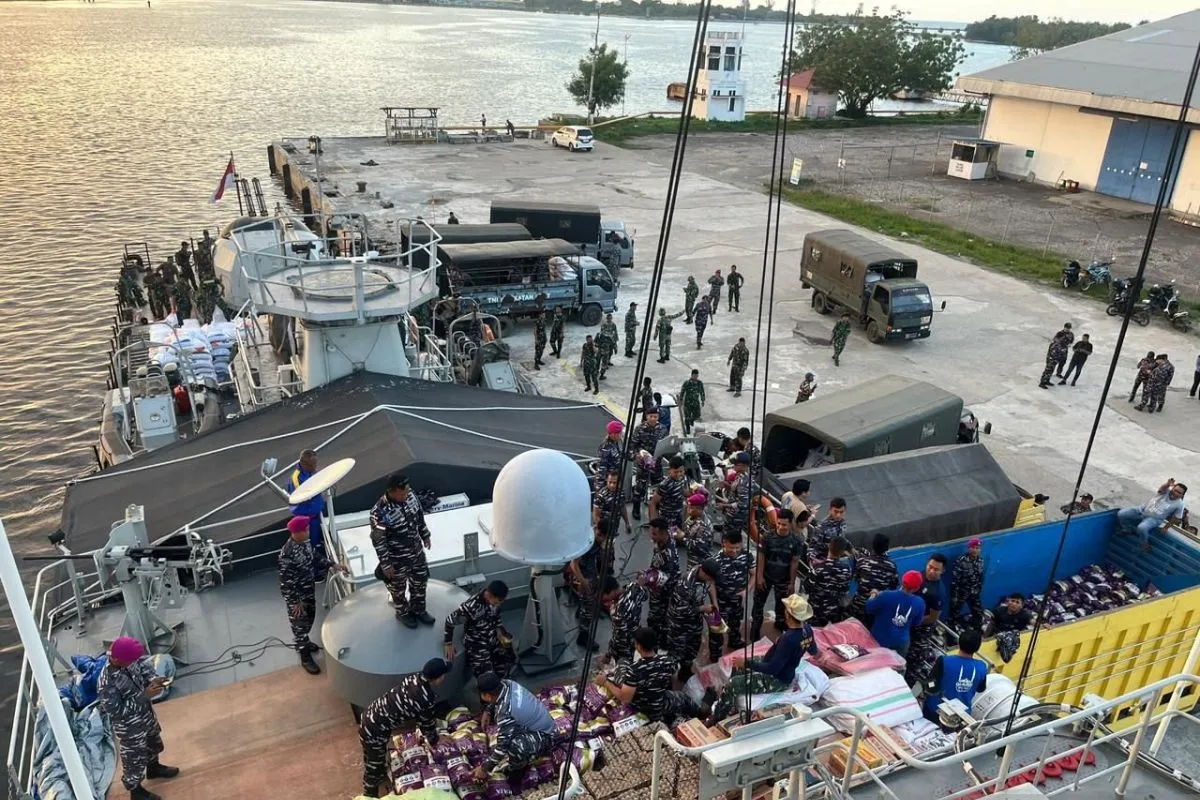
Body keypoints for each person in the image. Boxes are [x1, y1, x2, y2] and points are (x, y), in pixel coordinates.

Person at [711, 595, 817, 720]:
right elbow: (813, 650)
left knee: (732, 684)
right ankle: (731, 702)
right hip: (782, 669)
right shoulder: (807, 630)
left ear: (788, 614)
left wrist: (747, 663)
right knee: (738, 665)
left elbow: (772, 669)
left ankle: (718, 716)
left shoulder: (788, 639)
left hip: (777, 680)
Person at [99, 637, 179, 800]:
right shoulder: (107, 683)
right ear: (116, 659)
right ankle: (136, 792)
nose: (132, 663)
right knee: (133, 759)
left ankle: (153, 768)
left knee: (153, 742)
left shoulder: (129, 660)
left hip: (146, 716)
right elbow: (116, 712)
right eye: (129, 661)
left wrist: (153, 679)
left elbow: (143, 667)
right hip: (130, 729)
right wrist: (144, 696)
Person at [360, 659, 449, 798]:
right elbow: (427, 725)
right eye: (443, 675)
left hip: (372, 715)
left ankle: (380, 773)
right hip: (375, 728)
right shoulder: (425, 698)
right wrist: (435, 741)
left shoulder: (414, 678)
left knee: (373, 753)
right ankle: (369, 794)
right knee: (373, 765)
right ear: (438, 678)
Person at [595, 628, 711, 726]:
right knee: (683, 698)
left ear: (638, 646)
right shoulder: (667, 661)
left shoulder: (634, 669)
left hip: (639, 708)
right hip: (660, 704)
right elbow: (673, 679)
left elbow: (625, 699)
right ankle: (702, 713)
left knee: (622, 663)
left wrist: (605, 682)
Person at [369, 472, 434, 628]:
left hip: (416, 552)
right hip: (396, 559)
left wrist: (425, 535)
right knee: (398, 589)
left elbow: (419, 517)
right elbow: (379, 540)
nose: (406, 495)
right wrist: (385, 564)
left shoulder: (410, 496)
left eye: (407, 491)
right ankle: (403, 613)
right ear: (391, 491)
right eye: (402, 493)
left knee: (420, 582)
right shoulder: (379, 512)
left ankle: (419, 610)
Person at [472, 673, 554, 783]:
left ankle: (517, 773)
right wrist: (488, 710)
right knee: (508, 733)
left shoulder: (506, 710)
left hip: (545, 735)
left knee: (514, 745)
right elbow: (497, 698)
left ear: (487, 696)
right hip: (543, 722)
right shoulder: (508, 683)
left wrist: (484, 768)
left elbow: (503, 747)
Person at [280, 516, 331, 674]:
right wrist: (295, 602)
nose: (309, 532)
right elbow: (286, 583)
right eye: (306, 530)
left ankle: (306, 642)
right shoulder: (287, 554)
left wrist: (332, 565)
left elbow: (314, 556)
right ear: (297, 532)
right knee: (300, 626)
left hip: (308, 590)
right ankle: (304, 655)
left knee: (309, 619)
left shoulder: (305, 543)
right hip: (297, 598)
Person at [444, 580, 515, 681]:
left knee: (505, 662)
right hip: (477, 645)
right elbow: (449, 621)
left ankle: (504, 684)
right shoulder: (470, 607)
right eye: (498, 601)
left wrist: (500, 632)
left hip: (492, 638)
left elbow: (496, 618)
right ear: (490, 595)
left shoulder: (495, 604)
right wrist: (448, 643)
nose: (499, 604)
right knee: (486, 678)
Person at [665, 559, 721, 680]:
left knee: (692, 649)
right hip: (679, 624)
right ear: (704, 574)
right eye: (710, 578)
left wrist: (714, 603)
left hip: (694, 621)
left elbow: (710, 585)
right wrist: (703, 608)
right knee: (676, 654)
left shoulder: (703, 572)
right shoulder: (685, 585)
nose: (711, 581)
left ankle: (684, 672)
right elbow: (680, 610)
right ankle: (666, 680)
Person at [751, 508, 801, 639]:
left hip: (783, 579)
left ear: (790, 524)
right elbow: (761, 556)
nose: (780, 527)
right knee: (758, 606)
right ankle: (754, 632)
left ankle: (780, 627)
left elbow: (794, 562)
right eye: (779, 523)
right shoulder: (767, 537)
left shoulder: (796, 540)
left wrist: (791, 583)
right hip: (766, 577)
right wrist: (759, 576)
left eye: (784, 524)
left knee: (782, 606)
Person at [922, 629, 988, 727]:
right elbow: (980, 688)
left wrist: (931, 689)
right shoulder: (982, 667)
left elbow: (930, 682)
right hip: (961, 716)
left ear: (959, 642)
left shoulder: (944, 661)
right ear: (977, 648)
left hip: (935, 710)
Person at [709, 529, 753, 661]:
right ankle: (715, 653)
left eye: (737, 548)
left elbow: (754, 573)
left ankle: (734, 641)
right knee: (717, 629)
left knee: (735, 623)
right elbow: (711, 584)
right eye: (731, 548)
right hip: (721, 602)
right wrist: (715, 604)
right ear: (724, 543)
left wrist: (747, 590)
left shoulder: (746, 555)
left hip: (738, 601)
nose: (734, 551)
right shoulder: (716, 560)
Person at [905, 555, 948, 687]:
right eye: (930, 567)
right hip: (906, 621)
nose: (931, 571)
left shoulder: (938, 592)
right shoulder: (919, 576)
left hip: (921, 629)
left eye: (936, 569)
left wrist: (912, 621)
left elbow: (932, 617)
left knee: (913, 662)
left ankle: (908, 687)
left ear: (942, 571)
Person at [569, 526, 613, 651]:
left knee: (587, 603)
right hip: (583, 579)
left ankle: (581, 609)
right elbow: (574, 564)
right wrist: (583, 582)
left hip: (591, 575)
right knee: (589, 608)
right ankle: (583, 636)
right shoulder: (588, 543)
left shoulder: (596, 542)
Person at [865, 570, 926, 658]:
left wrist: (874, 594)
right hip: (901, 644)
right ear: (917, 588)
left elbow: (869, 608)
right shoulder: (920, 603)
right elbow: (917, 623)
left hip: (879, 640)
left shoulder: (885, 595)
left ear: (902, 581)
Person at [287, 449, 328, 578]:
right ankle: (313, 573)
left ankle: (319, 567)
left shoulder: (311, 472)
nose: (315, 467)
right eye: (312, 465)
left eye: (315, 464)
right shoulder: (296, 479)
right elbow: (302, 498)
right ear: (304, 463)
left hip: (315, 514)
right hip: (306, 517)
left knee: (316, 542)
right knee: (309, 544)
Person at [1117, 478, 1188, 551]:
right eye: (1175, 490)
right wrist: (1167, 484)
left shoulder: (1180, 504)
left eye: (1179, 493)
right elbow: (1162, 488)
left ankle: (1144, 543)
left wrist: (1166, 527)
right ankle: (1127, 529)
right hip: (1142, 509)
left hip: (1154, 519)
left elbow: (1176, 518)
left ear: (1182, 495)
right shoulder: (1166, 491)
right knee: (1121, 514)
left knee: (1141, 528)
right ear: (1172, 488)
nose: (1176, 493)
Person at [849, 533, 899, 622]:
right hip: (877, 608)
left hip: (859, 606)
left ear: (872, 546)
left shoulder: (862, 561)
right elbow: (893, 586)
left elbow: (856, 578)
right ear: (886, 548)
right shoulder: (892, 565)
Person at [629, 408, 668, 520]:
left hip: (656, 464)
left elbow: (666, 445)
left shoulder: (662, 429)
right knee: (639, 487)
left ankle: (657, 509)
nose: (653, 419)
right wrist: (637, 456)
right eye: (651, 416)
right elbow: (632, 446)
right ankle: (636, 509)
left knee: (659, 487)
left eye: (655, 416)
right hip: (643, 464)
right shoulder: (639, 429)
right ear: (647, 417)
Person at [806, 537, 852, 627]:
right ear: (842, 552)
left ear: (829, 547)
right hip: (834, 610)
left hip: (816, 610)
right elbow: (844, 590)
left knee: (814, 632)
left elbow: (807, 587)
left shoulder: (818, 567)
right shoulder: (846, 569)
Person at [600, 575, 645, 666]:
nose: (603, 599)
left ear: (612, 592)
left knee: (624, 668)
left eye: (604, 595)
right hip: (635, 636)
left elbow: (618, 638)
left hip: (624, 647)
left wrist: (608, 655)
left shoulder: (619, 611)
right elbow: (644, 595)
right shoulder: (633, 588)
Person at [646, 517, 681, 631]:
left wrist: (646, 578)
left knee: (656, 615)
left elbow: (662, 580)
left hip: (663, 588)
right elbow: (675, 530)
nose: (651, 537)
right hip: (661, 574)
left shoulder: (667, 555)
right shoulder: (669, 533)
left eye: (654, 534)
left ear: (663, 534)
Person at [950, 539, 985, 629]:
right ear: (969, 548)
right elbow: (955, 579)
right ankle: (951, 631)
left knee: (978, 613)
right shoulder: (961, 560)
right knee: (954, 613)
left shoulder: (981, 560)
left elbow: (980, 576)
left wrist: (979, 589)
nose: (975, 550)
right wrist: (954, 596)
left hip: (974, 591)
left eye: (977, 548)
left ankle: (976, 629)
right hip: (961, 592)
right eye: (973, 547)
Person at [649, 456, 689, 529]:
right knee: (674, 535)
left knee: (680, 534)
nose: (678, 474)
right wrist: (653, 526)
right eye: (675, 472)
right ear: (669, 470)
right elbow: (653, 503)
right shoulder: (665, 485)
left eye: (681, 471)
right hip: (668, 521)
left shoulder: (682, 479)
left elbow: (682, 491)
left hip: (678, 518)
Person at [808, 497, 847, 569]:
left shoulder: (842, 523)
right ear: (830, 510)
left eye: (841, 512)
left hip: (837, 559)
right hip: (822, 562)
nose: (838, 515)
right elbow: (812, 549)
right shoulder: (822, 527)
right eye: (836, 512)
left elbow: (842, 539)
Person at [679, 493, 715, 567]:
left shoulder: (703, 525)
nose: (688, 508)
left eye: (690, 507)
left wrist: (682, 537)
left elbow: (699, 548)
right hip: (692, 560)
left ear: (698, 509)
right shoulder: (693, 517)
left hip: (701, 564)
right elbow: (688, 532)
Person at [593, 469, 632, 538]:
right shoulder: (601, 495)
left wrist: (627, 523)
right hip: (604, 530)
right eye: (610, 482)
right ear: (606, 481)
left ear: (619, 483)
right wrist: (601, 531)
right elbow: (596, 515)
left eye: (615, 483)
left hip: (614, 526)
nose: (612, 485)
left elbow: (622, 507)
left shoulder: (621, 492)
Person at [1039, 322, 1073, 388]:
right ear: (1064, 327)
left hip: (1059, 355)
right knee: (1048, 369)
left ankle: (1047, 380)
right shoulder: (1060, 334)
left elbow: (1070, 342)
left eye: (1069, 328)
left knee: (1052, 369)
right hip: (1053, 354)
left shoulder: (1071, 334)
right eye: (1066, 327)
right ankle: (1042, 382)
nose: (1068, 329)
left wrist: (1067, 345)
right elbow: (1055, 342)